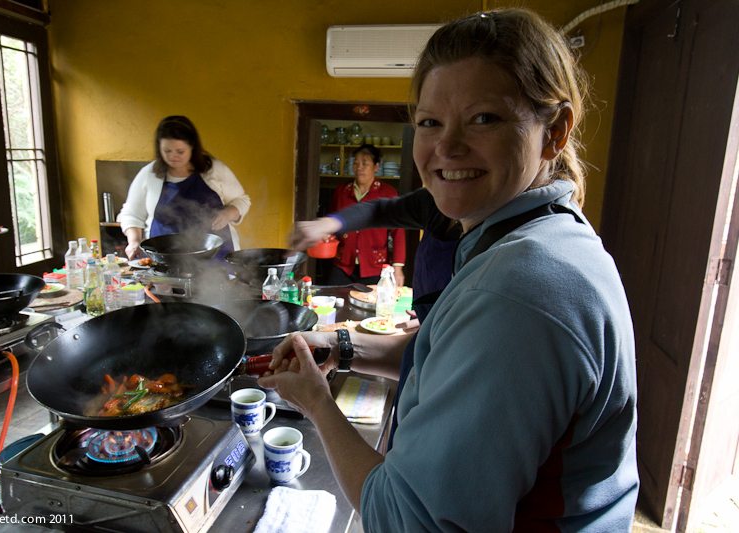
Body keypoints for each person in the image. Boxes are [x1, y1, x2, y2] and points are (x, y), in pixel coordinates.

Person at [258, 8, 638, 532]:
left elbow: (403, 520)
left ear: (554, 133)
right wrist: (342, 347)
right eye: (430, 123)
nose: (446, 148)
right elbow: (444, 358)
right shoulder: (539, 239)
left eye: (484, 118)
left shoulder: (515, 291)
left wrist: (318, 405)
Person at [117, 115, 251, 260]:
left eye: (180, 151)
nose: (173, 156)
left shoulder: (213, 170)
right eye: (167, 151)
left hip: (215, 256)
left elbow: (242, 200)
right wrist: (134, 241)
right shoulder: (149, 175)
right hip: (166, 259)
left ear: (192, 147)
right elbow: (131, 214)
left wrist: (228, 213)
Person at [291, 187, 460, 300]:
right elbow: (377, 211)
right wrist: (326, 224)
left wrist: (398, 266)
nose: (444, 149)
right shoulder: (432, 202)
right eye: (430, 130)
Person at [326, 144, 406, 286]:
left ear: (376, 166)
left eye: (365, 163)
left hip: (374, 267)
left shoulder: (388, 194)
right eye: (356, 163)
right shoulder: (342, 192)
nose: (359, 167)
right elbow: (332, 223)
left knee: (372, 304)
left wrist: (398, 268)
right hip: (343, 264)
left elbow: (398, 232)